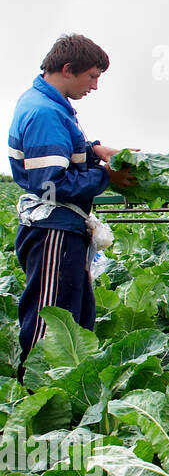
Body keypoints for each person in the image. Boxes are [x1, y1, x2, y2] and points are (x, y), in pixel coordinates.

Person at [8, 34, 135, 371]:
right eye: (92, 76)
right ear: (67, 69)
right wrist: (108, 177)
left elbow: (67, 151)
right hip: (53, 230)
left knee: (74, 317)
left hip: (65, 228)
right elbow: (51, 184)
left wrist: (95, 149)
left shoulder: (52, 104)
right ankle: (38, 394)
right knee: (52, 320)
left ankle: (70, 393)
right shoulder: (44, 112)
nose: (95, 85)